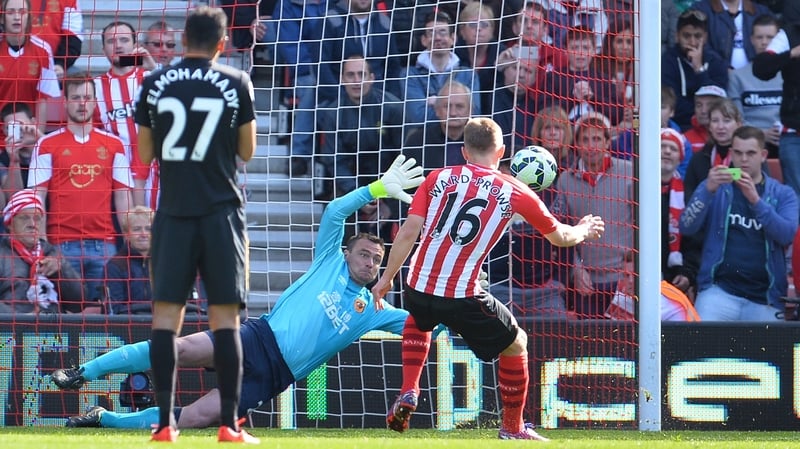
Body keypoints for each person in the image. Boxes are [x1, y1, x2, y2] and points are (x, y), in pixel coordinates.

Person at [52, 157, 424, 430]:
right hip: (258, 338)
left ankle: (104, 419)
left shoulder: (373, 309)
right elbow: (335, 212)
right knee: (179, 349)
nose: (370, 263)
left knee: (197, 417)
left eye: (377, 260)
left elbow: (423, 325)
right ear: (347, 253)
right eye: (364, 254)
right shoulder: (329, 261)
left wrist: (449, 295)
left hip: (275, 376)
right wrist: (376, 189)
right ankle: (82, 371)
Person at [372, 117, 605, 440]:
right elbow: (560, 238)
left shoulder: (437, 177)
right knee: (516, 343)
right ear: (502, 152)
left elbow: (409, 231)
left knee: (420, 317)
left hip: (417, 284)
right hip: (461, 293)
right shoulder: (515, 191)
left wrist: (386, 278)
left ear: (464, 150)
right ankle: (512, 427)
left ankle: (409, 389)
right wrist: (584, 229)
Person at [132, 7, 256, 443]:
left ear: (183, 39)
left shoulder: (154, 82)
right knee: (225, 321)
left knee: (166, 319)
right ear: (222, 43)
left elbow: (144, 155)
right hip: (221, 214)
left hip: (174, 215)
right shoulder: (237, 81)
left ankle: (165, 426)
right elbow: (247, 151)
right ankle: (229, 426)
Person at [27, 76, 134, 303]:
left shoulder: (115, 145)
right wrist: (43, 243)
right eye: (75, 98)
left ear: (95, 102)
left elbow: (123, 198)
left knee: (105, 312)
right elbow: (36, 198)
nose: (82, 103)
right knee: (63, 312)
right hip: (60, 246)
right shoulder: (46, 144)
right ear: (65, 102)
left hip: (104, 245)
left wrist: (129, 242)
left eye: (87, 97)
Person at [680, 126, 798, 321]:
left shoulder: (783, 193)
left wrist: (756, 201)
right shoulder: (717, 186)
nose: (743, 159)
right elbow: (687, 226)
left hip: (765, 299)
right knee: (699, 338)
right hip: (718, 292)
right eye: (738, 153)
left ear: (763, 155)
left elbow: (786, 235)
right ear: (731, 153)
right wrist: (706, 191)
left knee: (774, 341)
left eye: (750, 153)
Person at [551, 112, 634, 318]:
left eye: (597, 139)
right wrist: (576, 269)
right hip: (585, 281)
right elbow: (562, 228)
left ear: (607, 143)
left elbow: (642, 223)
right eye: (585, 139)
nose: (591, 146)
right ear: (576, 144)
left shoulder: (629, 172)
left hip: (624, 279)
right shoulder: (565, 180)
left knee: (624, 336)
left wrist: (634, 265)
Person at [316, 55, 404, 198]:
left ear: (372, 78)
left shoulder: (393, 107)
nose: (356, 81)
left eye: (361, 74)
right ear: (342, 79)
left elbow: (403, 154)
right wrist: (358, 196)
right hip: (350, 188)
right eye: (350, 75)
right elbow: (335, 161)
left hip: (390, 184)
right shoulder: (333, 113)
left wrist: (384, 194)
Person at [93, 21, 157, 207]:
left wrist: (154, 69)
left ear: (135, 45)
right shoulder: (94, 87)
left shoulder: (152, 79)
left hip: (156, 175)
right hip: (113, 178)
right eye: (111, 41)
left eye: (124, 40)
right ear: (103, 50)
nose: (118, 45)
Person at [0, 189, 85, 314]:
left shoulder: (52, 253)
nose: (32, 224)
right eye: (24, 218)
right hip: (14, 326)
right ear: (9, 224)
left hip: (54, 325)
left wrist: (61, 271)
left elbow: (79, 304)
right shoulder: (2, 254)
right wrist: (20, 317)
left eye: (37, 218)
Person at [752, 1, 800, 203]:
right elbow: (761, 68)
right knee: (796, 200)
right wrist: (792, 54)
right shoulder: (788, 34)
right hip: (794, 134)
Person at [399, 10, 481, 127]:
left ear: (453, 38)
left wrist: (436, 102)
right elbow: (418, 118)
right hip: (424, 137)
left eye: (443, 32)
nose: (437, 38)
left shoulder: (468, 75)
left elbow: (474, 115)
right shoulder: (410, 75)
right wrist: (456, 110)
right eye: (431, 33)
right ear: (423, 40)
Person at [537, 25, 622, 125]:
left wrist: (592, 98)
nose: (580, 53)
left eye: (586, 48)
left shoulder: (604, 80)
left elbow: (617, 115)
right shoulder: (553, 77)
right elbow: (543, 111)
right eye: (574, 48)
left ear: (594, 50)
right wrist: (573, 99)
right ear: (565, 50)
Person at [661, 9, 728, 131]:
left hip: (712, 127)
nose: (692, 42)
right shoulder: (667, 61)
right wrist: (699, 112)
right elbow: (672, 103)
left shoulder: (716, 61)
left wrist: (699, 69)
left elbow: (719, 100)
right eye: (686, 36)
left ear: (705, 37)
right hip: (679, 126)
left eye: (697, 36)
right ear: (677, 36)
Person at [0, 0, 61, 132]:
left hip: (28, 132)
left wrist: (37, 138)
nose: (17, 17)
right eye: (10, 12)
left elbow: (42, 100)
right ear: (2, 18)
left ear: (29, 17)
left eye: (22, 12)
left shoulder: (43, 50)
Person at [727, 14, 783, 158]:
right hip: (748, 144)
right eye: (759, 37)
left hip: (787, 140)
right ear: (751, 40)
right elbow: (736, 119)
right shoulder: (736, 76)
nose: (764, 42)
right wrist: (762, 134)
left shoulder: (790, 75)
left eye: (770, 37)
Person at [403, 81, 473, 171]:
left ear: (470, 110)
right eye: (447, 106)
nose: (453, 113)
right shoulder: (418, 141)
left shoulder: (482, 141)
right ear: (437, 110)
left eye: (459, 106)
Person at [659, 128, 696, 299]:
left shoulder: (688, 195)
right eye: (662, 146)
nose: (667, 151)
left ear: (680, 158)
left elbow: (693, 241)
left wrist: (687, 273)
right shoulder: (635, 188)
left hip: (674, 277)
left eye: (673, 149)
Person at [687, 0, 774, 70]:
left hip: (755, 77)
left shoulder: (761, 11)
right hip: (716, 77)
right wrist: (723, 68)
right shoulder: (700, 10)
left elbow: (776, 42)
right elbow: (698, 44)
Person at [104, 206, 153, 315]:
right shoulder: (115, 266)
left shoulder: (165, 264)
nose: (143, 234)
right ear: (126, 234)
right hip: (128, 323)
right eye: (137, 229)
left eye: (148, 229)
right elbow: (114, 310)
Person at [1, 102, 43, 194]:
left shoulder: (49, 143)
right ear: (4, 131)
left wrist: (41, 140)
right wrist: (14, 161)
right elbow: (12, 197)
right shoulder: (3, 160)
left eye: (21, 125)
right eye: (12, 127)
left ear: (33, 122)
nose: (18, 131)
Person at [682, 84, 727, 154]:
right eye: (699, 105)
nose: (703, 111)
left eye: (710, 105)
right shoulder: (684, 139)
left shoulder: (735, 138)